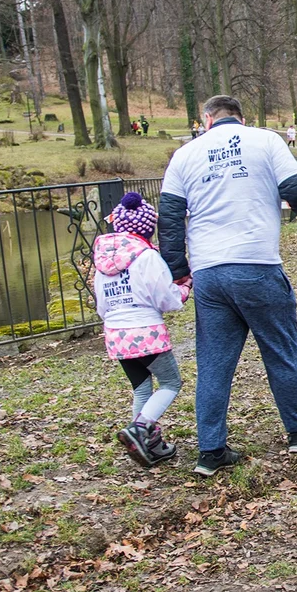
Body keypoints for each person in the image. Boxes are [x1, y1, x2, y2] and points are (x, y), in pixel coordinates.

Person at [159, 95, 297, 477]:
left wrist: (178, 268)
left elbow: (169, 216)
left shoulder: (185, 155)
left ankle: (211, 450)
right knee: (280, 350)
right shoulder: (265, 140)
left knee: (214, 363)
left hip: (209, 272)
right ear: (241, 118)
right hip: (256, 263)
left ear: (206, 120)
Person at [94, 192, 191, 468]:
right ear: (149, 227)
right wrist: (183, 290)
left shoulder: (102, 262)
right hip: (144, 331)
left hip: (115, 334)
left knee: (142, 389)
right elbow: (166, 297)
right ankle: (140, 429)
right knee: (171, 383)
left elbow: (101, 304)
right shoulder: (147, 256)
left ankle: (147, 445)